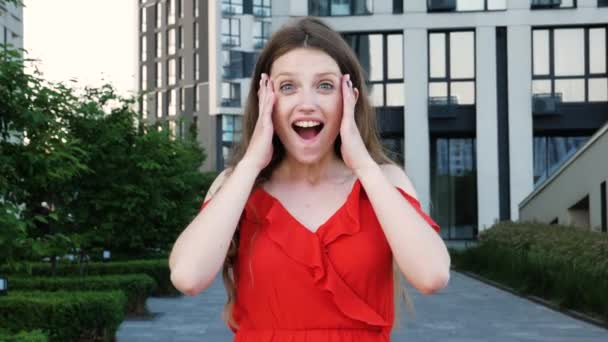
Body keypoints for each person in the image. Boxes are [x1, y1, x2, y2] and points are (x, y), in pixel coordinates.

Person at [169, 17, 450, 341]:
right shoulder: (237, 185)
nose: (307, 104)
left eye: (325, 86)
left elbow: (432, 276)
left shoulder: (383, 181)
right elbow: (188, 277)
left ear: (350, 98)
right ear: (265, 102)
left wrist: (363, 164)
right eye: (287, 87)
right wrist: (250, 164)